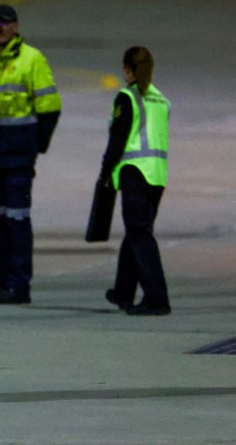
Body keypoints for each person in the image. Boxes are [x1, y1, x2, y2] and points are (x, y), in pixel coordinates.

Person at [0, 4, 61, 305]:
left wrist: (33, 146)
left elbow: (50, 108)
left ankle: (19, 285)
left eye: (5, 23)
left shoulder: (31, 59)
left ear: (16, 26)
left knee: (17, 221)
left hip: (17, 156)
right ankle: (2, 282)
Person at [100, 46, 172, 316]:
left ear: (127, 70)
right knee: (136, 232)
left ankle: (157, 299)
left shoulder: (127, 98)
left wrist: (105, 172)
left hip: (135, 173)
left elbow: (118, 139)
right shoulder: (161, 100)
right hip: (157, 175)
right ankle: (123, 291)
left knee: (140, 236)